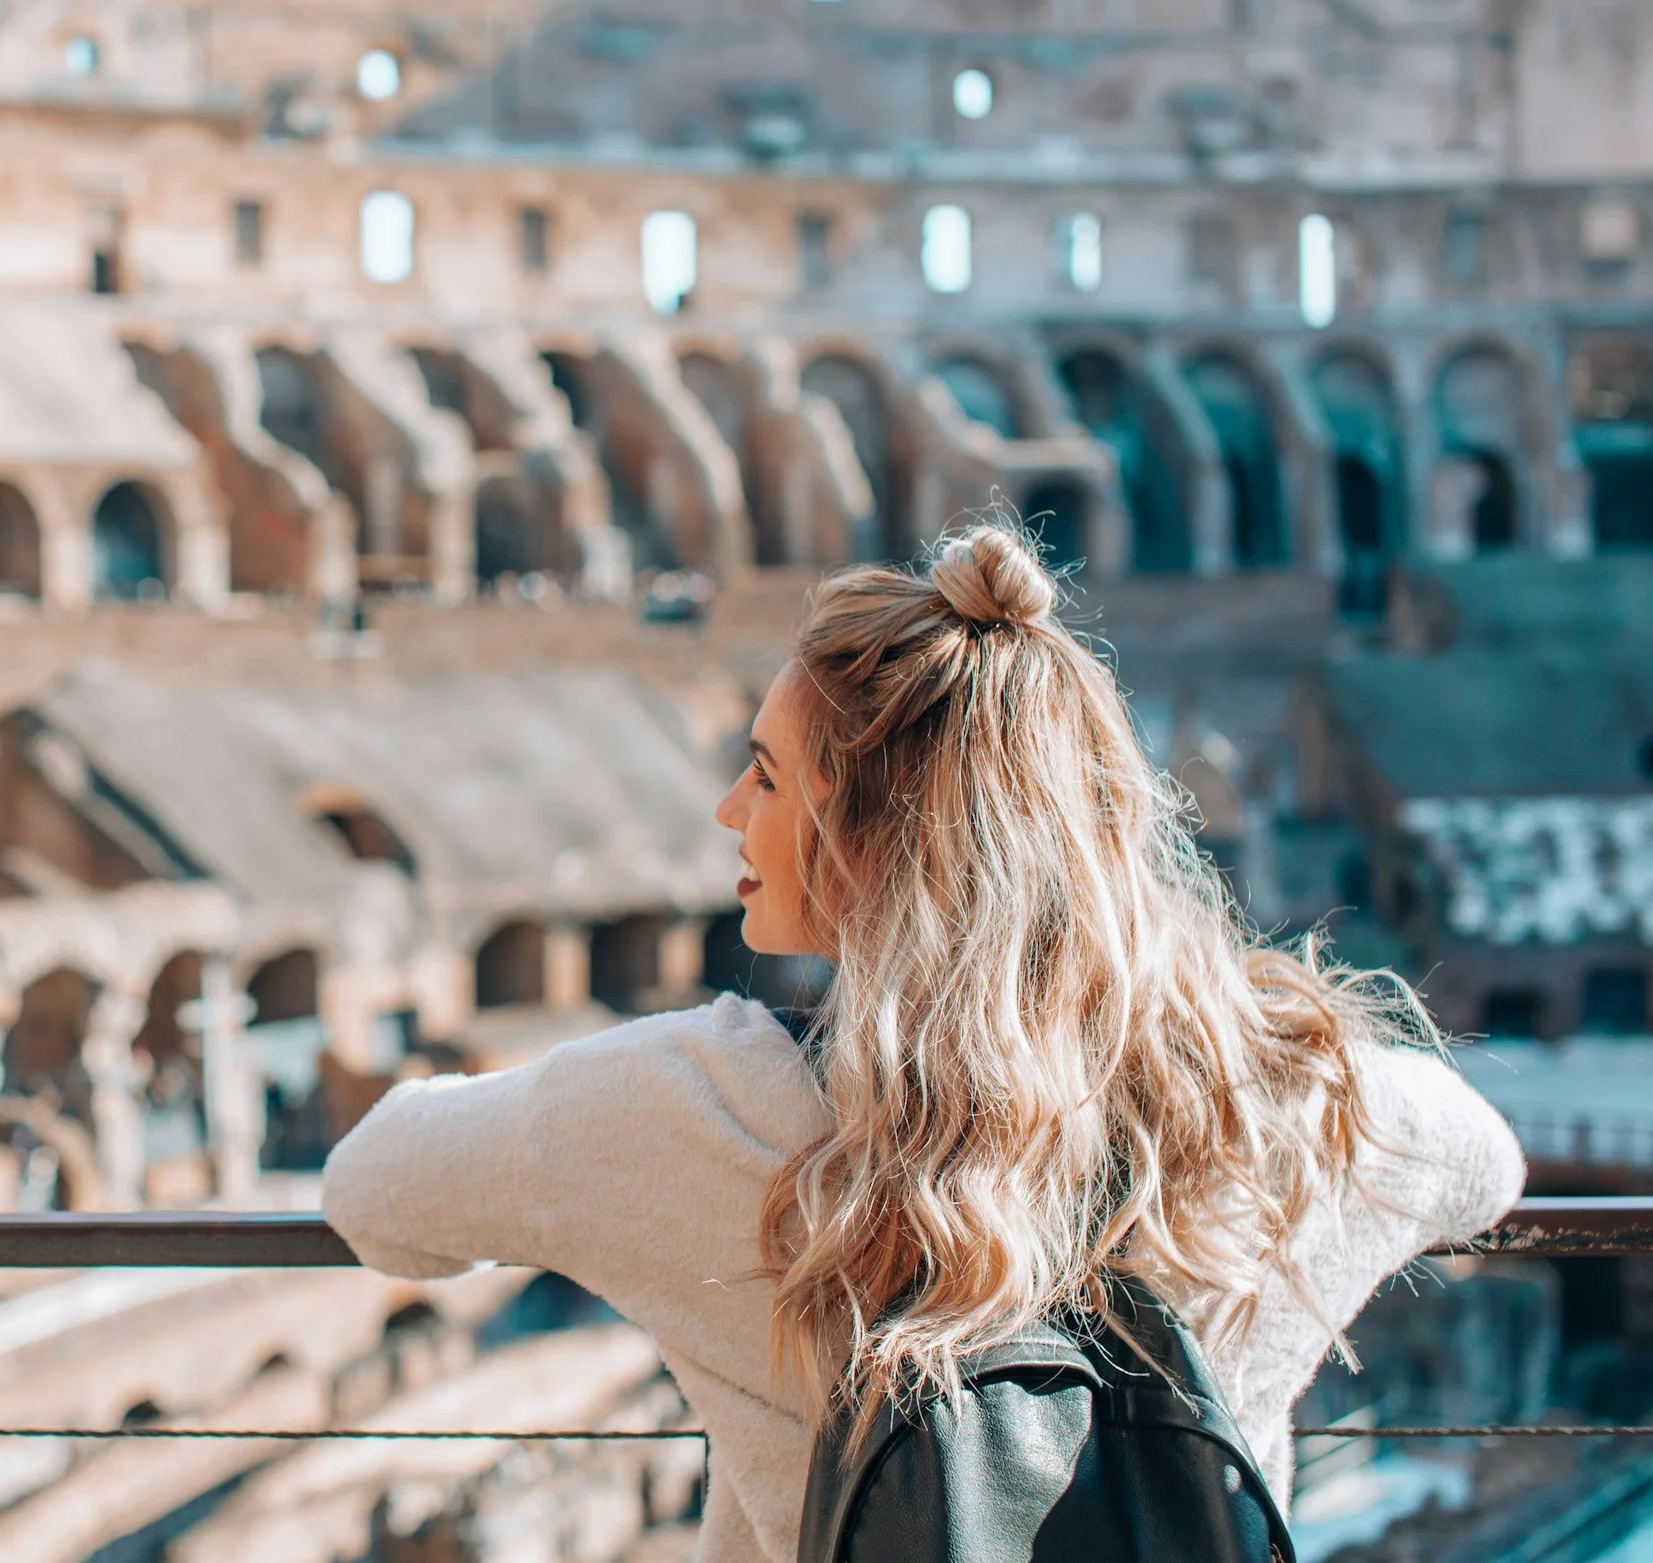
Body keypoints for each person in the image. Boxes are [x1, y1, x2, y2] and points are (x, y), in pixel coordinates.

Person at [322, 524, 1524, 1561]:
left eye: (765, 774)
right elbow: (1485, 1165)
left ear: (867, 835)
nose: (730, 809)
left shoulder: (697, 1107)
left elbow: (373, 1186)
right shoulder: (1278, 1099)